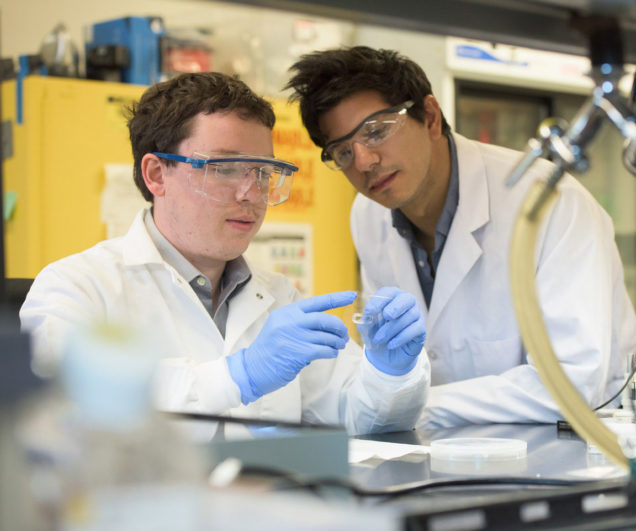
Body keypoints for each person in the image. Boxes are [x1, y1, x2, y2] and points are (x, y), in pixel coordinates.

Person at [19, 71, 430, 437]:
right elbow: (64, 407)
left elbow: (359, 415)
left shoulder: (279, 297)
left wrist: (391, 373)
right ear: (157, 174)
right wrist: (239, 374)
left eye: (264, 172)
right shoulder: (79, 286)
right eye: (225, 169)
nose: (250, 193)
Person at [285, 46, 636, 429]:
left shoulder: (550, 202)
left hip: (588, 450)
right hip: (453, 459)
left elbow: (572, 382)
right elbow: (396, 358)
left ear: (431, 118)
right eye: (342, 151)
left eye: (376, 132)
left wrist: (411, 407)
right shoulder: (368, 214)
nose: (363, 162)